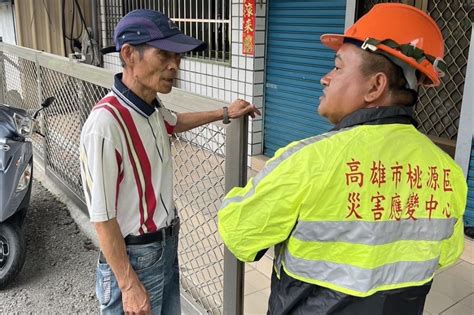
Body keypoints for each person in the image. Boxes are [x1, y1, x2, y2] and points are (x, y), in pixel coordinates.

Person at [218, 3, 467, 315]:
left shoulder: (309, 159)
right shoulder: (446, 171)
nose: (325, 78)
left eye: (337, 67)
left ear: (376, 86)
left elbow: (240, 235)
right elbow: (446, 253)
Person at [79, 9, 260, 315]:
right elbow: (102, 218)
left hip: (164, 247)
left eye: (177, 55)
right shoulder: (106, 124)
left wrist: (224, 113)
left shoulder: (149, 107)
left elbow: (174, 122)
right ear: (129, 55)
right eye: (163, 53)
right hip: (134, 258)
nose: (175, 65)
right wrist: (128, 285)